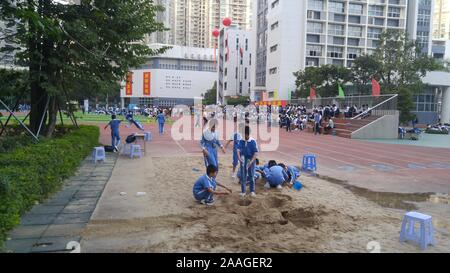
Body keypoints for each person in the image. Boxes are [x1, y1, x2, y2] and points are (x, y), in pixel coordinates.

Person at [237, 126, 259, 197]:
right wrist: (239, 158)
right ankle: (243, 191)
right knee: (243, 175)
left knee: (251, 175)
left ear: (248, 134)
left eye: (244, 134)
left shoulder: (253, 141)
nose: (243, 136)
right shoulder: (241, 140)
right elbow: (238, 150)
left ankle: (252, 191)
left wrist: (251, 162)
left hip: (251, 159)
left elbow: (255, 153)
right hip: (243, 159)